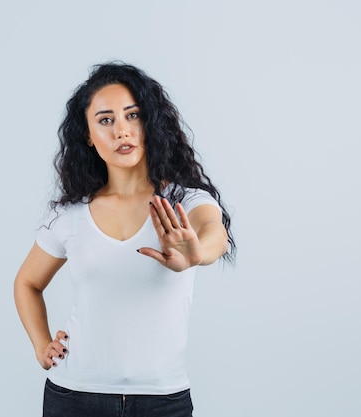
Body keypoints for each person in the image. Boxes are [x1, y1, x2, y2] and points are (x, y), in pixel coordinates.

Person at [14, 62, 235, 417]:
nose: (122, 131)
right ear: (88, 135)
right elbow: (27, 282)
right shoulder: (71, 216)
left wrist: (197, 253)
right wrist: (42, 345)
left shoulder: (185, 201)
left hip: (163, 401)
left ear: (150, 123)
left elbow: (213, 233)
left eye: (133, 116)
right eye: (106, 120)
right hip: (74, 397)